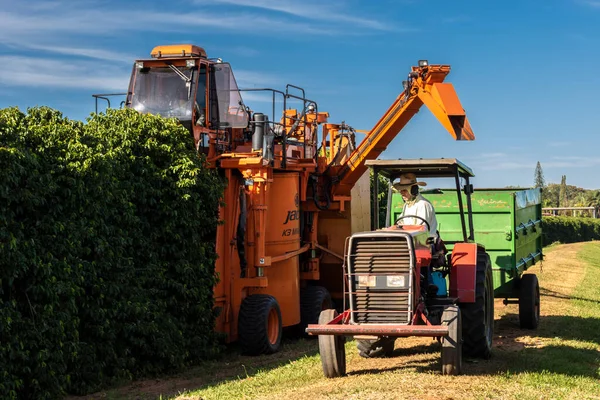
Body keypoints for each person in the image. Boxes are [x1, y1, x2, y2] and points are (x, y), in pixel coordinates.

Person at [393, 173, 438, 238]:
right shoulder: (406, 205)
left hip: (426, 242)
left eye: (404, 190)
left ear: (413, 190)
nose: (401, 193)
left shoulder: (423, 204)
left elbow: (421, 230)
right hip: (411, 240)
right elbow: (400, 222)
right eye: (400, 190)